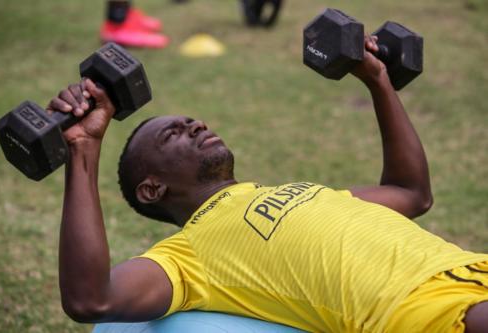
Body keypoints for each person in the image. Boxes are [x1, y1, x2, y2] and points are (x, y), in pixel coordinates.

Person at [47, 36, 488, 332]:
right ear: (152, 188)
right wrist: (83, 147)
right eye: (174, 133)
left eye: (190, 120)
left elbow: (412, 193)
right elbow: (92, 300)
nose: (196, 124)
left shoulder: (302, 191)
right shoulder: (189, 256)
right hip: (441, 313)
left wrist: (377, 80)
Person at [100, 0, 169, 48]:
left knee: (156, 24)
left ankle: (132, 23)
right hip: (117, 31)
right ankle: (112, 36)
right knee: (159, 40)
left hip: (127, 21)